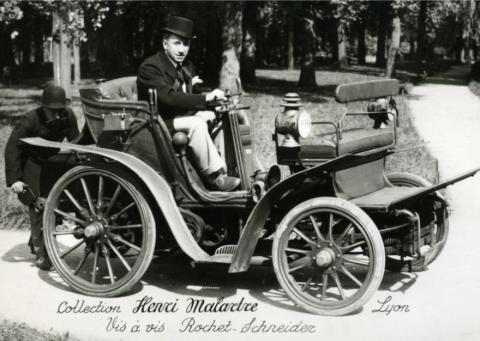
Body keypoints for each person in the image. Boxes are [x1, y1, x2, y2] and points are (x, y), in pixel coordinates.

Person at [137, 16, 240, 191]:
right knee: (196, 123)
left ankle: (239, 167)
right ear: (165, 44)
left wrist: (213, 102)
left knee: (220, 115)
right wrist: (205, 99)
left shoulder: (185, 66)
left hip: (178, 117)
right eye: (177, 43)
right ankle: (215, 177)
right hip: (156, 122)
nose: (182, 50)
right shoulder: (151, 67)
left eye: (186, 44)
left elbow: (190, 94)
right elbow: (169, 97)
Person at [4, 85, 79, 270]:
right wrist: (15, 179)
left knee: (54, 206)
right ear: (44, 107)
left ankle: (36, 242)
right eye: (53, 111)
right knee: (38, 206)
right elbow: (12, 148)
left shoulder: (68, 116)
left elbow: (76, 142)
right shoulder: (30, 119)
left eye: (60, 110)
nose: (57, 114)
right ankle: (42, 255)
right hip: (31, 162)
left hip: (53, 162)